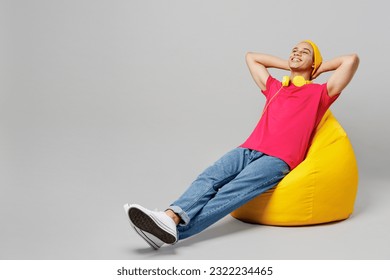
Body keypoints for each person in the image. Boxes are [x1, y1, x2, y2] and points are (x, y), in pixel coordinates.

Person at [124, 40, 360, 250]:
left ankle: (173, 231)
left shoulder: (319, 93)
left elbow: (351, 60)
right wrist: (290, 66)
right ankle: (169, 217)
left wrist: (317, 69)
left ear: (314, 63)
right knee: (209, 177)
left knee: (231, 192)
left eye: (304, 52)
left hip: (278, 159)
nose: (297, 53)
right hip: (248, 148)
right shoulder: (276, 88)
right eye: (294, 50)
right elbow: (251, 57)